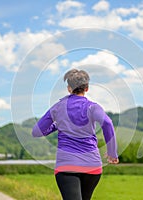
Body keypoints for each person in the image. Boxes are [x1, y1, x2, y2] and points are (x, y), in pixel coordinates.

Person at [32, 69, 119, 200]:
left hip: (67, 166)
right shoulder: (93, 107)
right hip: (92, 167)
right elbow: (107, 123)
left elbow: (37, 132)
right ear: (87, 88)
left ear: (69, 88)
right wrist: (112, 153)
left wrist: (56, 125)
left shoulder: (58, 107)